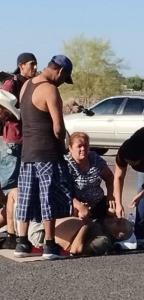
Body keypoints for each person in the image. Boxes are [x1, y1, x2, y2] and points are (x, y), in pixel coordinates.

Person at [14, 55, 74, 260]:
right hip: (47, 153)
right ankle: (49, 245)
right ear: (60, 71)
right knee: (47, 196)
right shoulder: (50, 89)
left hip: (28, 152)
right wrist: (63, 145)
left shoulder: (26, 85)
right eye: (64, 78)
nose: (62, 83)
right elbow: (58, 128)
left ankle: (21, 243)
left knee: (25, 196)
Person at [0, 53, 37, 249]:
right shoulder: (12, 83)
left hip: (26, 142)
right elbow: (4, 106)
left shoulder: (32, 84)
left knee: (19, 189)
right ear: (21, 66)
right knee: (11, 190)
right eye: (31, 64)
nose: (35, 67)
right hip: (13, 142)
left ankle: (15, 231)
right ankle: (11, 233)